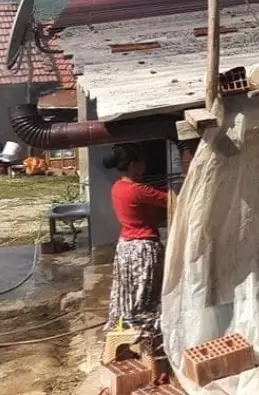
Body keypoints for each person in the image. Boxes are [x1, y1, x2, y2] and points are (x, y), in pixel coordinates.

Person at [104, 143, 169, 365]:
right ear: (132, 165)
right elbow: (170, 199)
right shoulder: (139, 191)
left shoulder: (117, 187)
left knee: (127, 297)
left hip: (125, 249)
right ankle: (148, 354)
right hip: (143, 250)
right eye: (141, 163)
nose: (145, 167)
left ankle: (123, 347)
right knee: (146, 299)